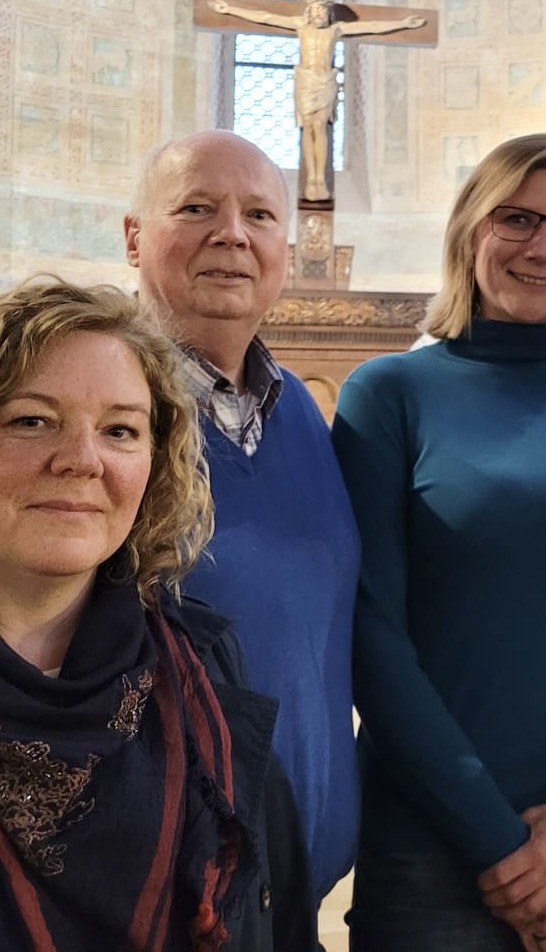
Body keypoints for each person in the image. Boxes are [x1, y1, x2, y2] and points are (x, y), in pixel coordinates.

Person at [332, 132, 546, 952]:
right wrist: (502, 843)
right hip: (431, 840)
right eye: (515, 219)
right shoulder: (388, 393)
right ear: (469, 233)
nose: (543, 246)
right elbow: (369, 629)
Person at [0, 277, 317, 950]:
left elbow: (280, 920)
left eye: (120, 430)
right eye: (32, 419)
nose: (81, 460)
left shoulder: (201, 662)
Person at [123, 129, 360, 903]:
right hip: (166, 893)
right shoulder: (104, 410)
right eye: (197, 207)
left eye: (259, 215)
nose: (232, 233)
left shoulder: (299, 414)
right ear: (134, 238)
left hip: (292, 886)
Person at [211, 0, 427, 200]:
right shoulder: (300, 26)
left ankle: (318, 179)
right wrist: (230, 9)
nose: (319, 15)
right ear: (309, 12)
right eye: (315, 11)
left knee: (320, 127)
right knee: (307, 126)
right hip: (306, 81)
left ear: (328, 13)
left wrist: (404, 24)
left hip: (325, 81)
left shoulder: (336, 30)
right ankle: (311, 177)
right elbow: (266, 17)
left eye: (323, 11)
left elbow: (371, 26)